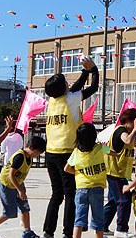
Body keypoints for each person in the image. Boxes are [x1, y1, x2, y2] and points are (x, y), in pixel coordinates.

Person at [42, 57, 98, 238]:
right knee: (70, 195)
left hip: (50, 153)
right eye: (66, 82)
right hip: (67, 153)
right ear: (63, 87)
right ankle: (68, 232)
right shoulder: (71, 100)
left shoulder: (52, 101)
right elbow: (93, 88)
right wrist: (94, 70)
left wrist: (84, 72)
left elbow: (74, 88)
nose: (69, 83)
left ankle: (47, 232)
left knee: (56, 194)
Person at [0, 135, 47, 238]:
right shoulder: (20, 156)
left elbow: (20, 174)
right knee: (10, 212)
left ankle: (27, 231)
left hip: (17, 185)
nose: (37, 155)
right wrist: (20, 190)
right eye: (37, 152)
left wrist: (22, 187)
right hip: (6, 185)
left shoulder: (29, 158)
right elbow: (11, 175)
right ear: (30, 147)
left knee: (25, 208)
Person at [64, 123, 116, 238]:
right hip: (97, 187)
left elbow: (67, 168)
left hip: (81, 188)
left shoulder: (77, 152)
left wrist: (78, 172)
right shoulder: (100, 148)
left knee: (79, 219)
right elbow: (113, 153)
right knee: (98, 220)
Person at [104, 109, 136, 237]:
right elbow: (127, 141)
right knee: (124, 201)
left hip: (121, 173)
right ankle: (121, 230)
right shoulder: (120, 130)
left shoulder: (129, 132)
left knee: (113, 202)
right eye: (135, 121)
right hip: (114, 172)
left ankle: (101, 225)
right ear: (127, 120)